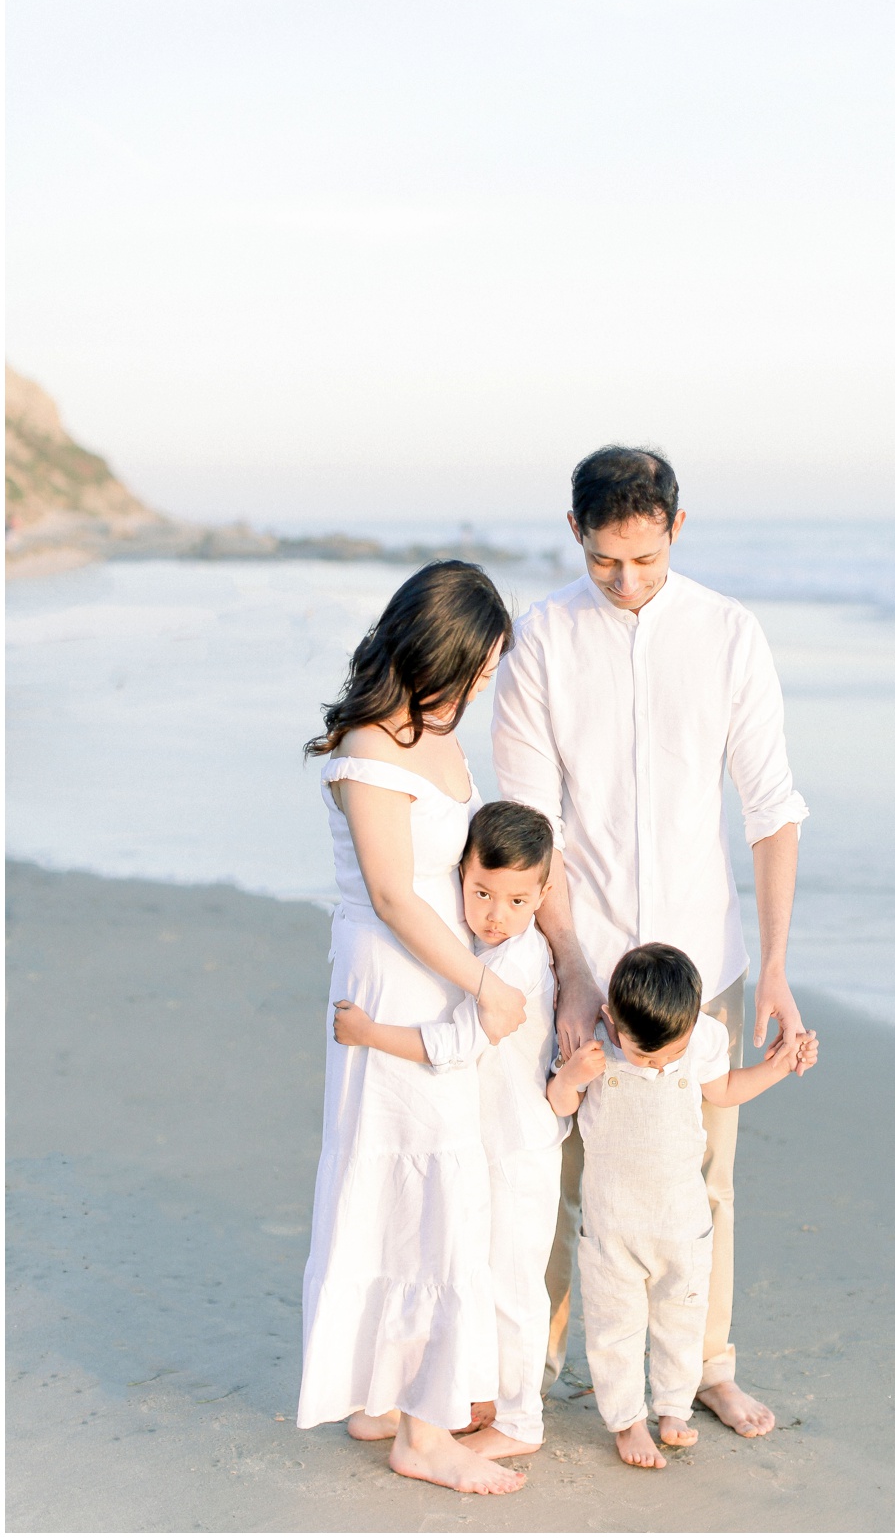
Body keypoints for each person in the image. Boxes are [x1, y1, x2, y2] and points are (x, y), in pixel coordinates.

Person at [492, 445, 810, 1438]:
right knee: (556, 1164)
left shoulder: (727, 633)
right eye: (603, 562)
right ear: (577, 537)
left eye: (643, 558)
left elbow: (772, 809)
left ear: (676, 525)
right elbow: (528, 824)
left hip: (696, 965)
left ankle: (704, 1364)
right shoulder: (542, 638)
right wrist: (574, 967)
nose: (625, 583)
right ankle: (530, 1363)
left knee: (699, 1174)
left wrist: (779, 969)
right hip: (573, 952)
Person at [296, 561, 529, 1497]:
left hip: (438, 980)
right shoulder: (369, 747)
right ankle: (426, 1434)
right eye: (476, 669)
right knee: (419, 1189)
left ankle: (383, 1393)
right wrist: (483, 985)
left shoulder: (437, 735)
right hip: (399, 981)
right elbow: (395, 893)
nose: (482, 688)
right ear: (438, 651)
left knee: (417, 1189)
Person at [335, 800, 568, 1460]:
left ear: (543, 895)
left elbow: (462, 1041)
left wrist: (371, 1034)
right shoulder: (480, 944)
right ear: (462, 875)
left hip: (519, 1143)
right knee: (476, 1271)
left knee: (514, 1283)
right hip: (483, 1141)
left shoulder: (520, 961)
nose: (496, 911)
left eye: (518, 898)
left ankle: (521, 1419)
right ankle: (476, 1396)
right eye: (482, 891)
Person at [548, 943, 818, 1469]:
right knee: (614, 1330)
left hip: (681, 1225)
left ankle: (674, 1408)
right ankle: (626, 1421)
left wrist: (781, 1067)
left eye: (671, 1052)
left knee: (682, 1319)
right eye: (644, 1056)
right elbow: (559, 1105)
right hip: (612, 1232)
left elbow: (725, 1091)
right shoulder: (596, 1046)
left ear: (692, 1023)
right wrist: (572, 1077)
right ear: (611, 1018)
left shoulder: (700, 1041)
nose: (657, 1064)